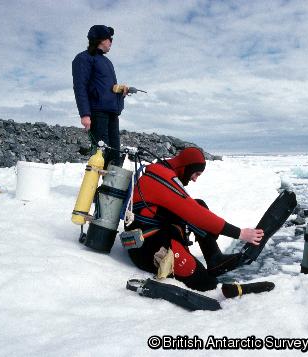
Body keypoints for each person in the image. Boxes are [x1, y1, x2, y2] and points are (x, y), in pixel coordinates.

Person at [124, 147, 264, 292]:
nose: (195, 179)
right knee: (207, 284)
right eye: (196, 173)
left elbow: (193, 208)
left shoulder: (162, 171)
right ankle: (216, 284)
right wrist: (240, 233)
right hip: (146, 249)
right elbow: (195, 213)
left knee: (199, 203)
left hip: (154, 235)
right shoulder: (161, 177)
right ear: (186, 166)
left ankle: (214, 258)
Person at [72, 25, 128, 168]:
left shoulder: (107, 62)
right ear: (101, 40)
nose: (111, 42)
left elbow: (109, 90)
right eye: (109, 38)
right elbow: (80, 87)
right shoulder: (83, 58)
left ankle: (109, 189)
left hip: (112, 113)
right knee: (101, 153)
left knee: (114, 154)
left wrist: (122, 94)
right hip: (97, 112)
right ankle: (91, 188)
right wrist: (85, 114)